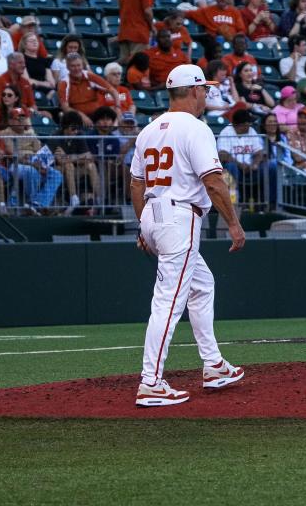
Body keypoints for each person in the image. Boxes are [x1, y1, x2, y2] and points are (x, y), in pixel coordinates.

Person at [129, 64, 245, 406]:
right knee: (168, 300)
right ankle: (150, 381)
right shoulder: (195, 129)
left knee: (202, 284)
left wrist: (143, 225)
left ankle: (213, 366)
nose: (207, 94)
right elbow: (212, 180)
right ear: (193, 90)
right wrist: (234, 224)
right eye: (204, 89)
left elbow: (136, 184)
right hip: (180, 217)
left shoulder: (148, 130)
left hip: (154, 213)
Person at [58, 53, 118, 125]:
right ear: (67, 67)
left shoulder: (89, 76)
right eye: (73, 66)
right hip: (76, 116)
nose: (76, 68)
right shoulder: (64, 82)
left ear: (82, 65)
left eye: (78, 65)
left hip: (96, 113)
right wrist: (81, 116)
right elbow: (65, 107)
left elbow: (112, 90)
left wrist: (118, 107)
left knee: (112, 114)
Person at [116, 0, 154, 64]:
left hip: (124, 32)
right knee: (138, 64)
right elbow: (148, 12)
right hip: (138, 32)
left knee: (125, 64)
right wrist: (152, 26)